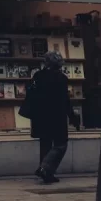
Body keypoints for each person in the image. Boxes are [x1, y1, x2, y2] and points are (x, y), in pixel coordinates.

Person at [31, 51, 80, 184]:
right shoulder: (61, 78)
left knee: (45, 144)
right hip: (57, 115)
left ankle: (47, 174)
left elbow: (32, 95)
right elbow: (65, 100)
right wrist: (72, 116)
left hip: (40, 115)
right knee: (61, 144)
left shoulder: (37, 76)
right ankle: (45, 168)